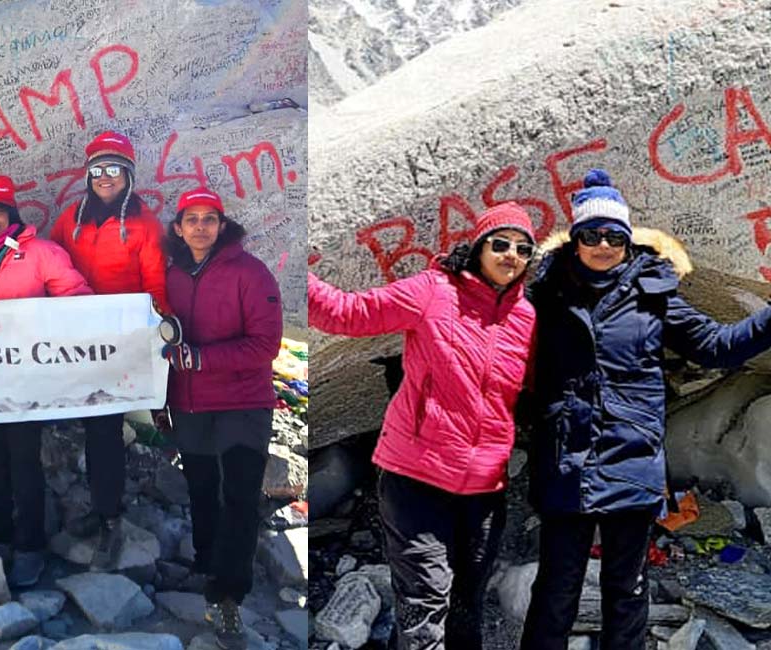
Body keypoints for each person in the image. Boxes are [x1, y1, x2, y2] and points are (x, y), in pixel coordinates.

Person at [519, 170, 771, 649]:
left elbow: (717, 346)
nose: (603, 244)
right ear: (575, 239)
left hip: (630, 462)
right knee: (555, 591)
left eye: (614, 234)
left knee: (627, 590)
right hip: (564, 464)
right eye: (591, 234)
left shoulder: (653, 295)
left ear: (627, 238)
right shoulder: (544, 297)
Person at [309, 203, 539, 650]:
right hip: (416, 479)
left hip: (484, 489)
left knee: (467, 605)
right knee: (425, 606)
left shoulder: (526, 318)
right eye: (500, 243)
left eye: (523, 248)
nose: (511, 254)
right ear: (478, 247)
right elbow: (348, 314)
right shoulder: (434, 290)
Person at [0, 175, 92, 586]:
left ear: (12, 214)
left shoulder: (43, 252)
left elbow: (77, 295)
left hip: (27, 377)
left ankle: (30, 542)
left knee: (24, 458)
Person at [162, 188, 282, 650]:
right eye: (190, 219)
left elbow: (265, 346)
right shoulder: (169, 274)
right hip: (189, 402)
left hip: (242, 403)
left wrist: (200, 360)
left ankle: (230, 591)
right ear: (177, 227)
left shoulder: (250, 273)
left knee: (239, 496)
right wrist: (160, 395)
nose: (199, 227)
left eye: (208, 219)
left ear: (221, 224)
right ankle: (206, 562)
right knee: (200, 489)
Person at [50, 130, 172, 570]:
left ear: (129, 175)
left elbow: (156, 285)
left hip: (120, 344)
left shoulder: (145, 225)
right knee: (89, 424)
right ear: (88, 175)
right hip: (77, 340)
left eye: (114, 170)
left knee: (104, 429)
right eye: (97, 170)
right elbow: (53, 266)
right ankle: (99, 509)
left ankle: (109, 518)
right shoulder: (70, 218)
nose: (105, 178)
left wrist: (157, 336)